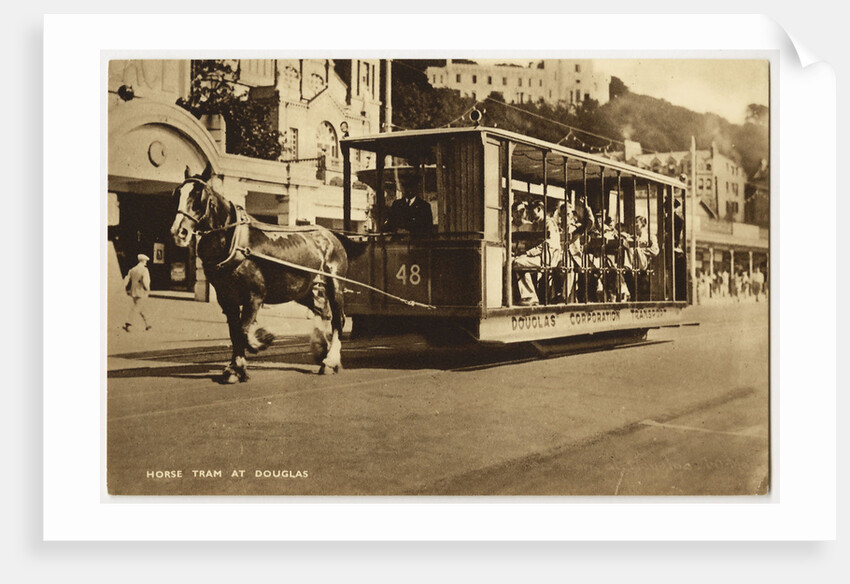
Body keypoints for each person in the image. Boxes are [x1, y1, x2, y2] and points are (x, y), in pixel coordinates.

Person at [512, 200, 561, 306]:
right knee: (516, 261)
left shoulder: (549, 223)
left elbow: (547, 244)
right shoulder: (536, 224)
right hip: (539, 256)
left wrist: (528, 253)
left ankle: (530, 296)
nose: (529, 213)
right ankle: (524, 295)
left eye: (531, 210)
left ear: (539, 209)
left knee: (518, 263)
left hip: (548, 257)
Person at [382, 170, 434, 235]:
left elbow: (428, 229)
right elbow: (390, 225)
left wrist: (411, 233)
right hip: (398, 243)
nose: (409, 190)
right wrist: (397, 230)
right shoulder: (397, 205)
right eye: (406, 186)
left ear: (416, 188)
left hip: (417, 243)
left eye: (411, 186)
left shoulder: (424, 206)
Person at [123, 254, 152, 332]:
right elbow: (145, 281)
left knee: (141, 308)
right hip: (141, 291)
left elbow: (127, 279)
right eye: (145, 261)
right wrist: (148, 289)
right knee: (137, 308)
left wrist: (125, 288)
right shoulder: (144, 270)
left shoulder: (132, 269)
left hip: (134, 292)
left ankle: (147, 324)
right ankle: (128, 323)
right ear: (143, 261)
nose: (146, 262)